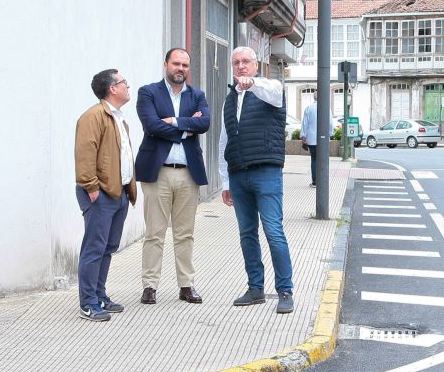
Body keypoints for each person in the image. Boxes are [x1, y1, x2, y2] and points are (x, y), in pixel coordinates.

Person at [219, 46, 294, 314]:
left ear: (256, 64)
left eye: (246, 62)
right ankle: (255, 288)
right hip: (238, 174)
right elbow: (223, 141)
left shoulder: (270, 88)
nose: (241, 66)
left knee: (273, 231)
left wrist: (252, 84)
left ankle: (285, 290)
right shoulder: (230, 99)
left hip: (266, 172)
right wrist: (225, 181)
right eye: (236, 62)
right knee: (247, 234)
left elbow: (270, 92)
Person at [135, 48, 210, 306]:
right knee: (154, 233)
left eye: (185, 65)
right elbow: (151, 125)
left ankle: (186, 285)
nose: (181, 69)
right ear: (166, 64)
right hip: (158, 173)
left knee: (185, 233)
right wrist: (186, 126)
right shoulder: (148, 92)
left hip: (188, 174)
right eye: (176, 63)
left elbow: (205, 123)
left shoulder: (197, 95)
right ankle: (149, 286)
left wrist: (173, 121)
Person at [74, 69, 137, 322]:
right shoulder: (93, 116)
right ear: (112, 88)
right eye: (124, 82)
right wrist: (91, 188)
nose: (127, 86)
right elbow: (85, 154)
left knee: (108, 248)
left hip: (118, 192)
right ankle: (87, 303)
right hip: (100, 195)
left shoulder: (118, 117)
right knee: (94, 248)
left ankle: (99, 295)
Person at [300, 91, 318, 187]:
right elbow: (330, 123)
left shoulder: (309, 109)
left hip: (311, 139)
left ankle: (315, 181)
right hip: (323, 140)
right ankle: (323, 180)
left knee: (314, 159)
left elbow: (305, 124)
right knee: (322, 159)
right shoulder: (327, 108)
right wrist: (329, 134)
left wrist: (303, 136)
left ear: (314, 98)